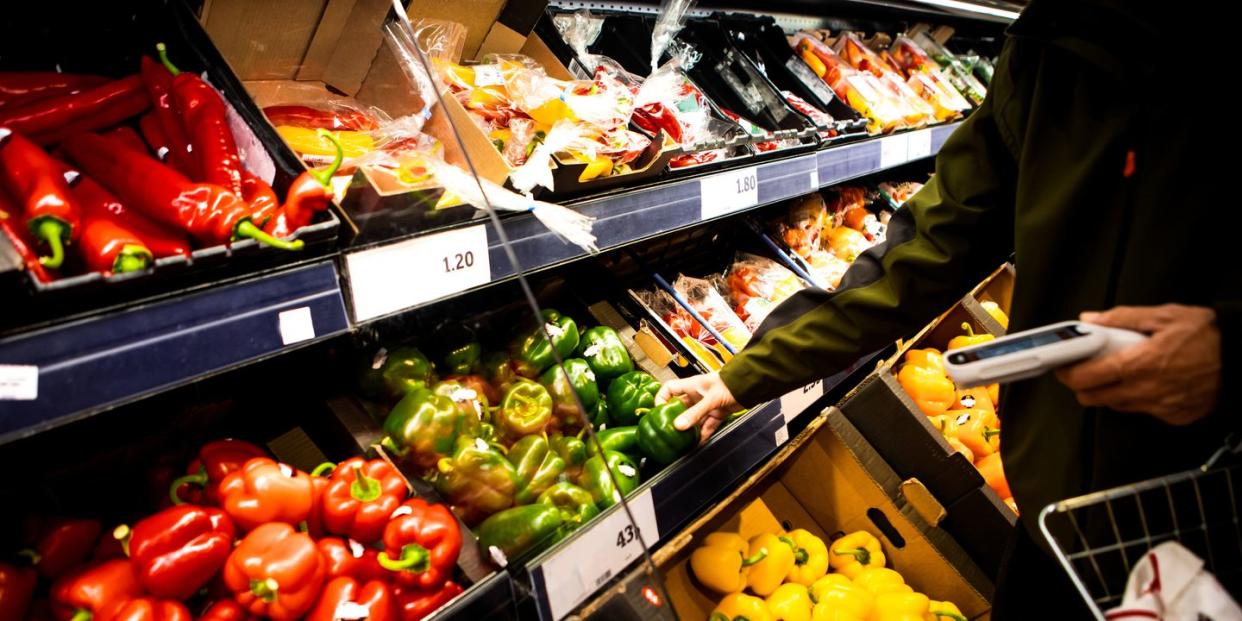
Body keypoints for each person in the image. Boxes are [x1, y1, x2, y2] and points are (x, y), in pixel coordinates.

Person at [658, 0, 1237, 615]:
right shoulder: (1056, 46)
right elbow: (928, 247)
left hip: (1210, 517)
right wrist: (746, 372)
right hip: (1052, 520)